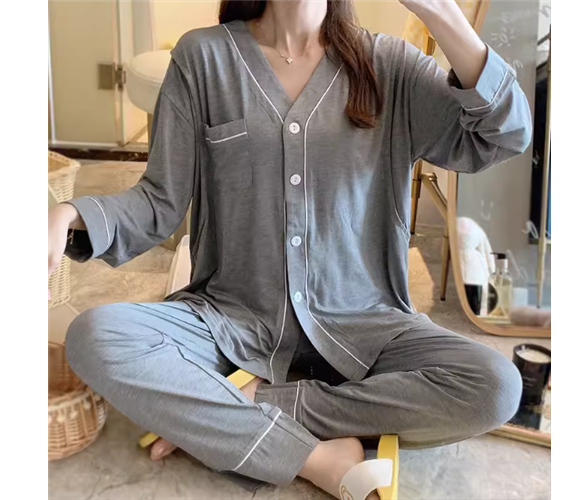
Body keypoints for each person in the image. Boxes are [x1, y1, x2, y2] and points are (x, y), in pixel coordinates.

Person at [48, 1, 531, 498]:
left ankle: (244, 407)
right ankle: (317, 459)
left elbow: (505, 133)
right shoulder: (204, 58)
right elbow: (159, 201)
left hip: (365, 323)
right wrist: (70, 214)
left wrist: (440, 13)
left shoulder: (389, 64)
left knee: (495, 386)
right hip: (232, 321)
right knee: (97, 335)